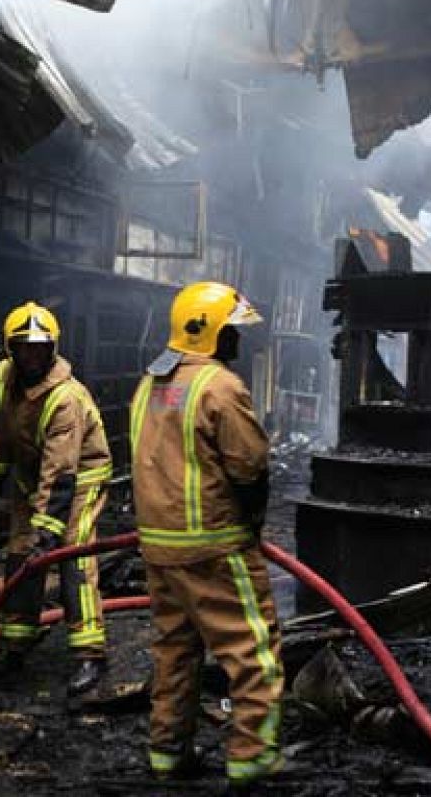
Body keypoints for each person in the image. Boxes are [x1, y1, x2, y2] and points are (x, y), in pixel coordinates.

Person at [130, 281, 283, 788]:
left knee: (174, 650)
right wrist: (251, 527)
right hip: (213, 546)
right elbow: (248, 465)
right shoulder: (219, 386)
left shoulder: (150, 385)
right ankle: (252, 761)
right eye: (233, 331)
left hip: (158, 546)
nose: (239, 341)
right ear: (212, 333)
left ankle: (167, 755)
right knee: (252, 652)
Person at [0, 301, 113, 695]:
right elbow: (0, 436)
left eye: (40, 348)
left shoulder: (66, 398)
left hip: (78, 478)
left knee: (73, 556)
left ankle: (90, 654)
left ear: (52, 349)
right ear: (10, 349)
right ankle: (15, 646)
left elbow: (60, 475)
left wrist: (49, 536)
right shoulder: (3, 377)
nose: (32, 355)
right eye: (23, 347)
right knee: (20, 556)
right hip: (31, 475)